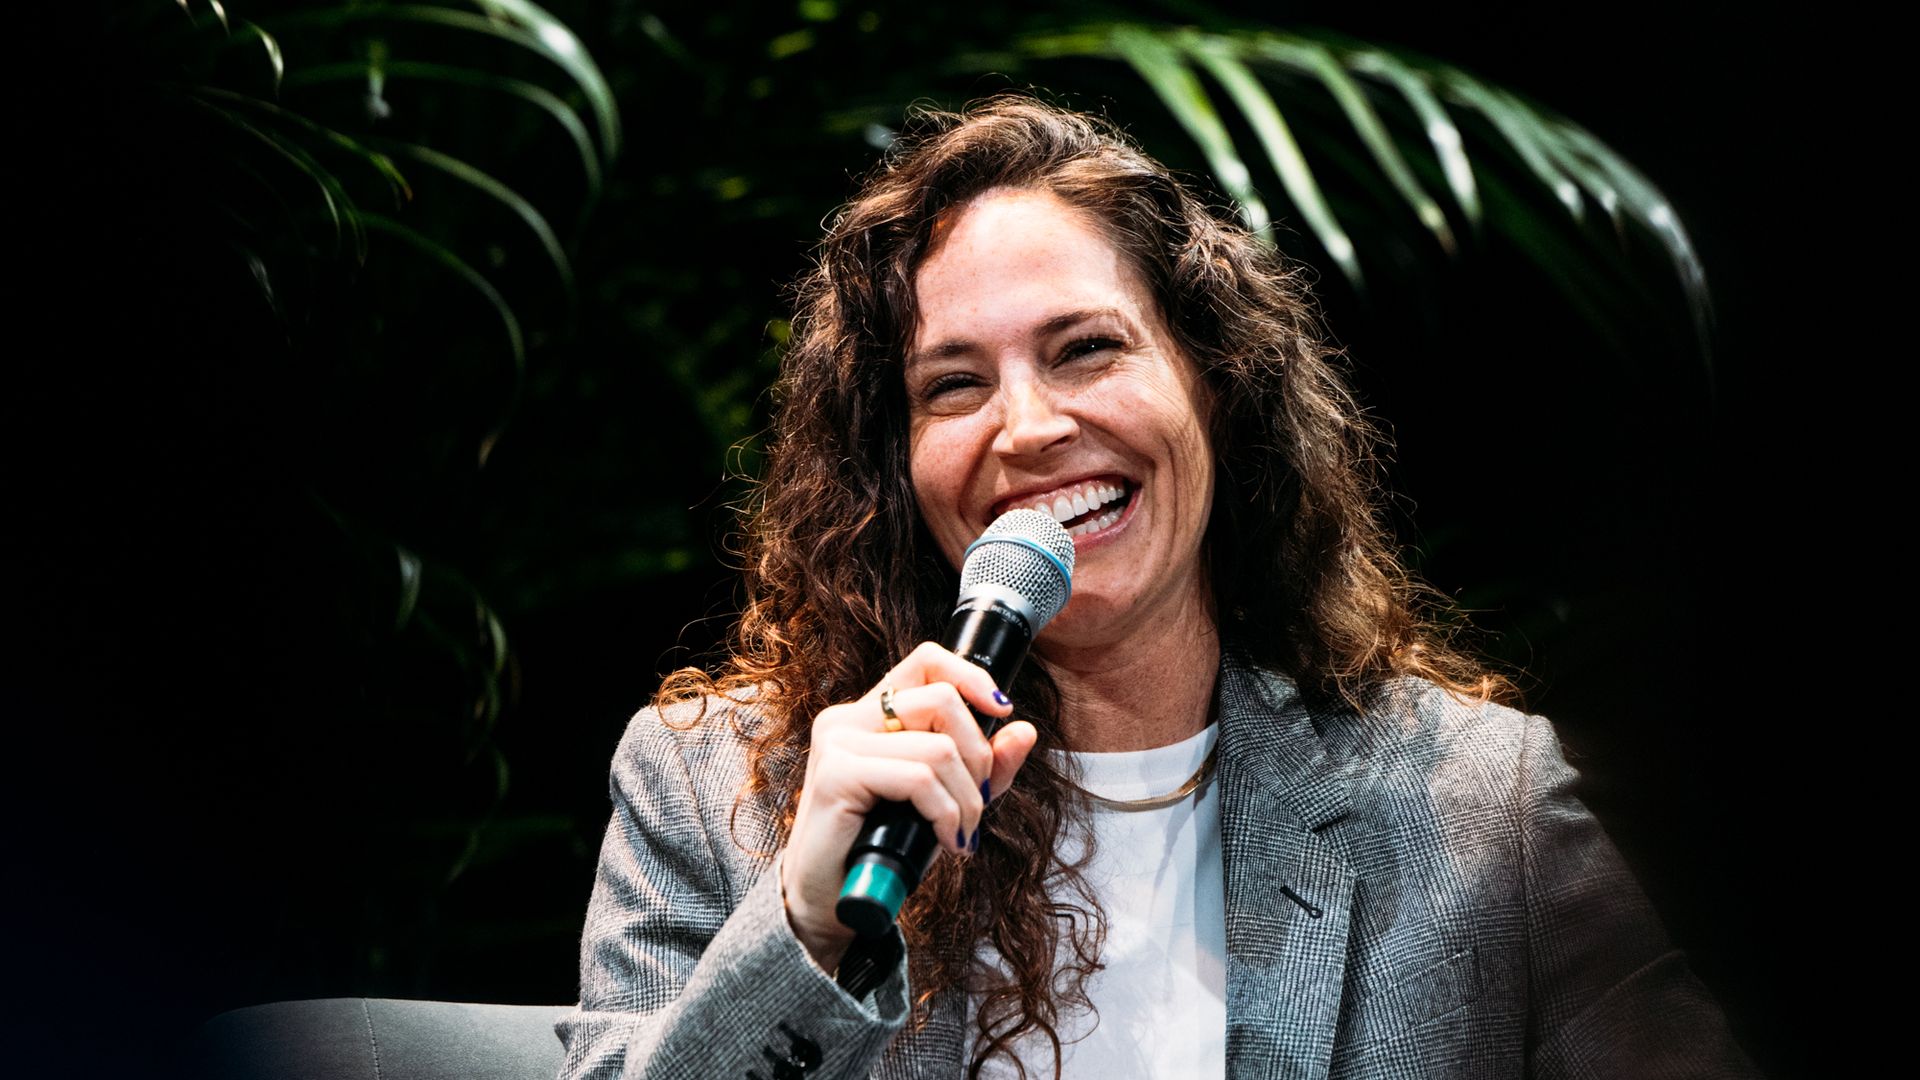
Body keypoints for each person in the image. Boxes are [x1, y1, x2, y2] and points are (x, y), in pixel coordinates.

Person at [555, 96, 1756, 1079]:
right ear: (893, 465)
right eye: (954, 385)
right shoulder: (709, 786)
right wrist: (808, 931)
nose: (1028, 428)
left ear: (1214, 386)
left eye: (1088, 348)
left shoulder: (1485, 808)